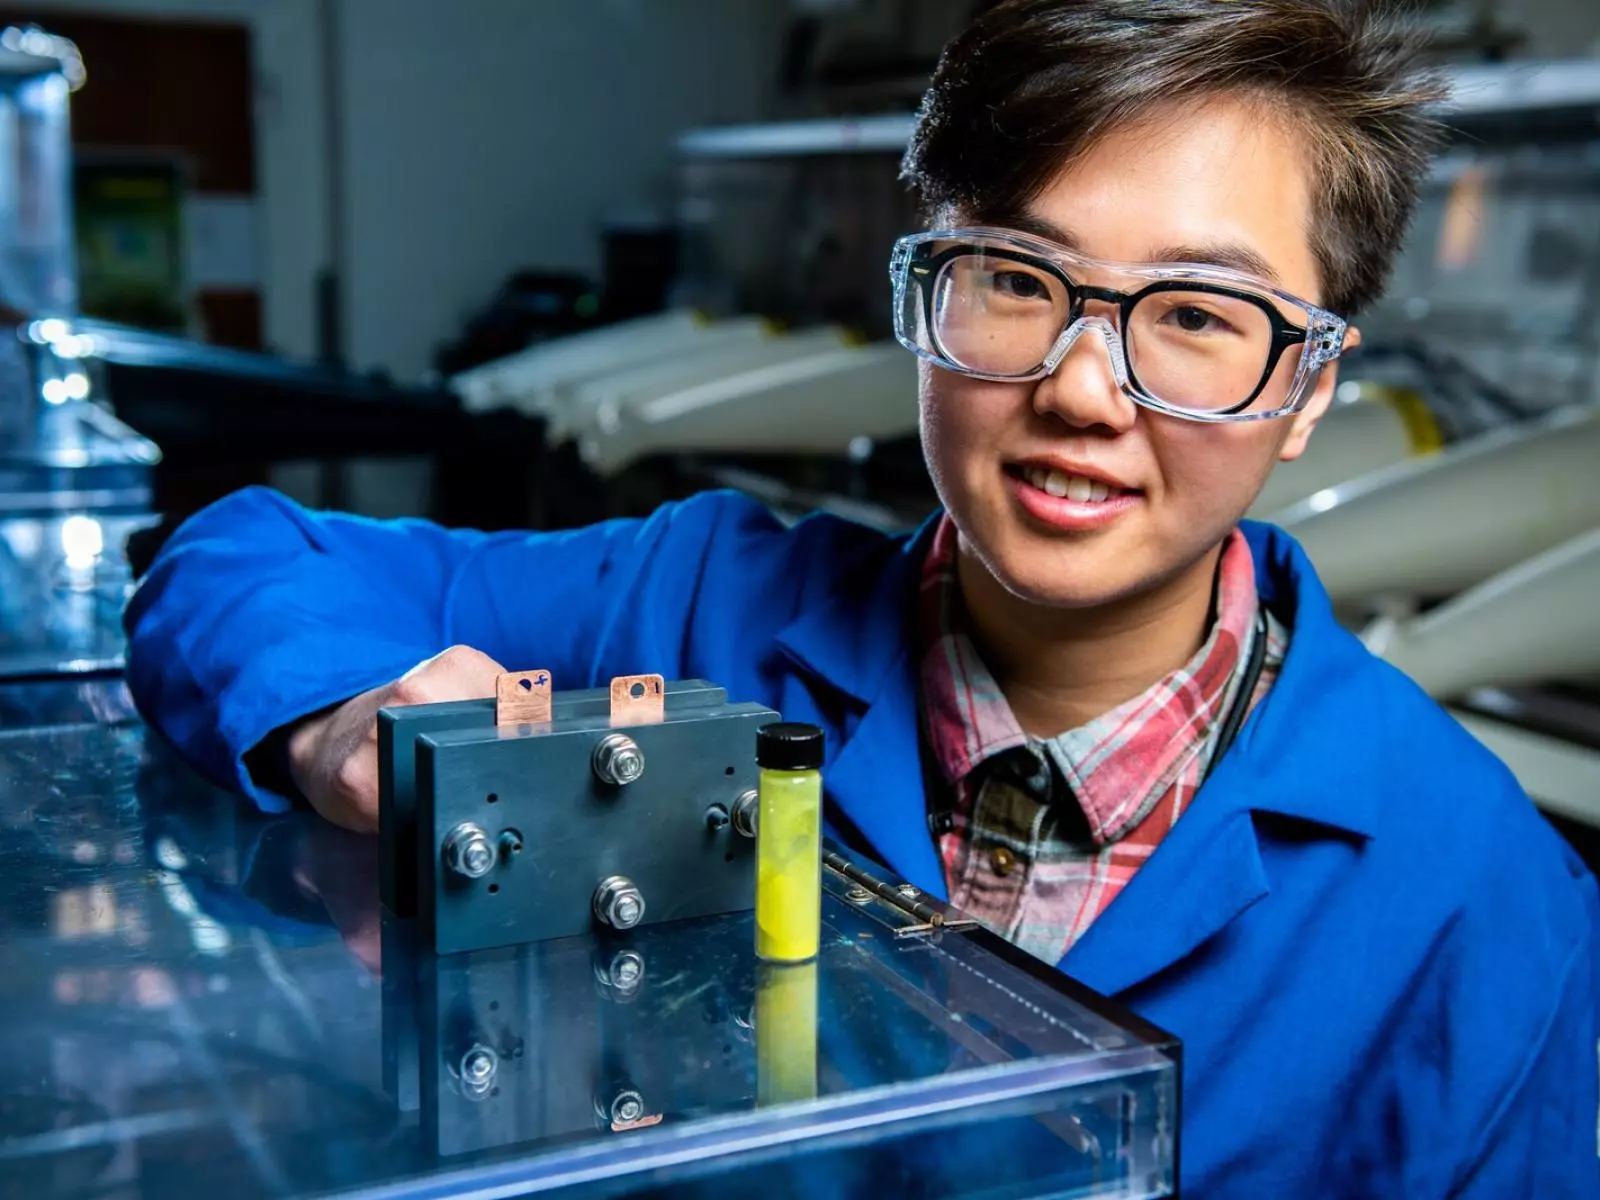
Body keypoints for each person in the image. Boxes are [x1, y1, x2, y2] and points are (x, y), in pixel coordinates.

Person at [122, 0, 1598, 1194]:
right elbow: (240, 554)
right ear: (921, 297)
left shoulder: (1483, 900)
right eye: (1015, 277)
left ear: (1310, 390)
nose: (1084, 388)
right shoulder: (696, 601)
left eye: (1200, 316)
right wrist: (334, 721)